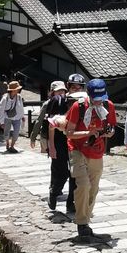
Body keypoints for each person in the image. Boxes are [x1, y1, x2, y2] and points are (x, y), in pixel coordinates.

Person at [66, 78, 117, 241]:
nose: (98, 102)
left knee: (93, 189)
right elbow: (69, 133)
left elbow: (112, 127)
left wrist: (109, 132)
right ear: (89, 95)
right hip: (77, 149)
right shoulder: (78, 107)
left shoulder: (108, 106)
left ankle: (85, 220)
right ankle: (81, 223)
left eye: (101, 98)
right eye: (95, 99)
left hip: (97, 150)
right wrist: (88, 134)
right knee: (84, 185)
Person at [34, 81, 77, 212]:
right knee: (62, 172)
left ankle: (71, 204)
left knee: (74, 174)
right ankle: (54, 191)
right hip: (59, 141)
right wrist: (51, 146)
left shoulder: (80, 101)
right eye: (74, 87)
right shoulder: (57, 101)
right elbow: (50, 125)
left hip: (74, 141)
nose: (62, 93)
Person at [0, 80, 26, 154]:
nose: (18, 90)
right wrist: (1, 122)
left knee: (16, 132)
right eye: (17, 89)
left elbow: (21, 107)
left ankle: (12, 146)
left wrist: (22, 116)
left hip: (17, 117)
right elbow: (1, 110)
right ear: (13, 90)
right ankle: (7, 142)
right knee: (6, 132)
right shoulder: (5, 98)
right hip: (7, 117)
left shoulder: (19, 97)